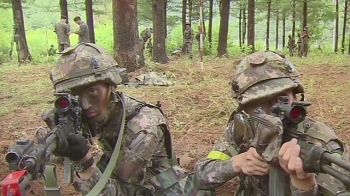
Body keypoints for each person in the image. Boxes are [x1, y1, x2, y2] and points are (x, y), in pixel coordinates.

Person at [46, 43, 212, 196]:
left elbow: (122, 192)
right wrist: (59, 139)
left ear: (110, 85)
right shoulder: (90, 111)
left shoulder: (143, 125)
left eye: (92, 92)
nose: (85, 104)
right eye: (74, 96)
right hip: (121, 173)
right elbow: (57, 158)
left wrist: (84, 163)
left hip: (158, 187)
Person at [194, 51, 348, 196]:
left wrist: (304, 185)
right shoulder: (243, 129)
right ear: (244, 108)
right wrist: (237, 162)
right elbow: (201, 176)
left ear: (296, 96)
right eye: (258, 103)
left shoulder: (320, 143)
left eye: (281, 98)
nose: (271, 111)